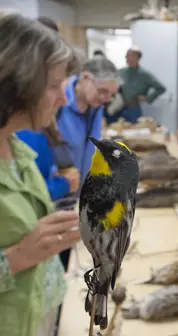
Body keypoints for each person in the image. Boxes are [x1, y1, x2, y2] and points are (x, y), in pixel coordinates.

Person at [0, 11, 81, 336]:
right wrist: (18, 257)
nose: (63, 98)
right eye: (53, 85)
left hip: (38, 315)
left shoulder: (17, 148)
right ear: (14, 85)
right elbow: (22, 250)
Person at [16, 16, 79, 203]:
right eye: (53, 85)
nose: (64, 98)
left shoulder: (39, 126)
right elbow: (24, 196)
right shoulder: (21, 130)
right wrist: (64, 184)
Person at [56, 56, 120, 194]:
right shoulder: (57, 104)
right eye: (102, 91)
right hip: (57, 196)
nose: (106, 99)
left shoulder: (95, 106)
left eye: (111, 94)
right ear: (85, 78)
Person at [107, 47, 166, 124]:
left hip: (133, 109)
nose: (127, 58)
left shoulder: (144, 74)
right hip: (117, 108)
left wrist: (147, 98)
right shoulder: (121, 72)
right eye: (126, 56)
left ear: (138, 58)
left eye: (130, 56)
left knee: (134, 132)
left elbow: (161, 88)